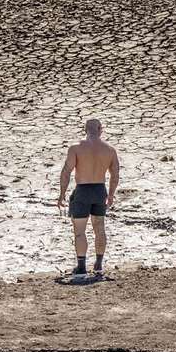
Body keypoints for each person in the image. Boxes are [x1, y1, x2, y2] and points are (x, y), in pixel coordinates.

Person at [57, 118, 119, 276]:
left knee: (79, 231)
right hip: (99, 190)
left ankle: (81, 267)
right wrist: (111, 194)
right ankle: (98, 264)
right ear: (101, 129)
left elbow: (66, 172)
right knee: (99, 228)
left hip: (83, 191)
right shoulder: (110, 150)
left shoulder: (76, 148)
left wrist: (62, 194)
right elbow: (115, 175)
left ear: (85, 130)